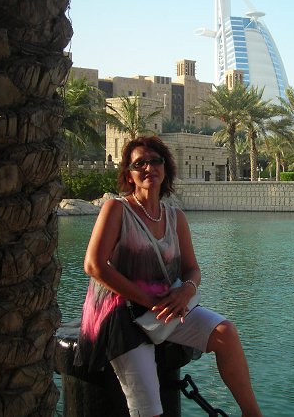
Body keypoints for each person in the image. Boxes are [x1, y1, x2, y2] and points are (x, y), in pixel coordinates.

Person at [74, 135, 262, 417]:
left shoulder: (175, 217)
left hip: (164, 308)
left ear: (166, 168)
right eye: (139, 164)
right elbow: (94, 265)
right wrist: (149, 301)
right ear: (128, 174)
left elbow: (192, 269)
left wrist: (186, 291)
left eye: (155, 161)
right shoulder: (117, 209)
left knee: (226, 333)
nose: (149, 168)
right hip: (121, 316)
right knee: (148, 407)